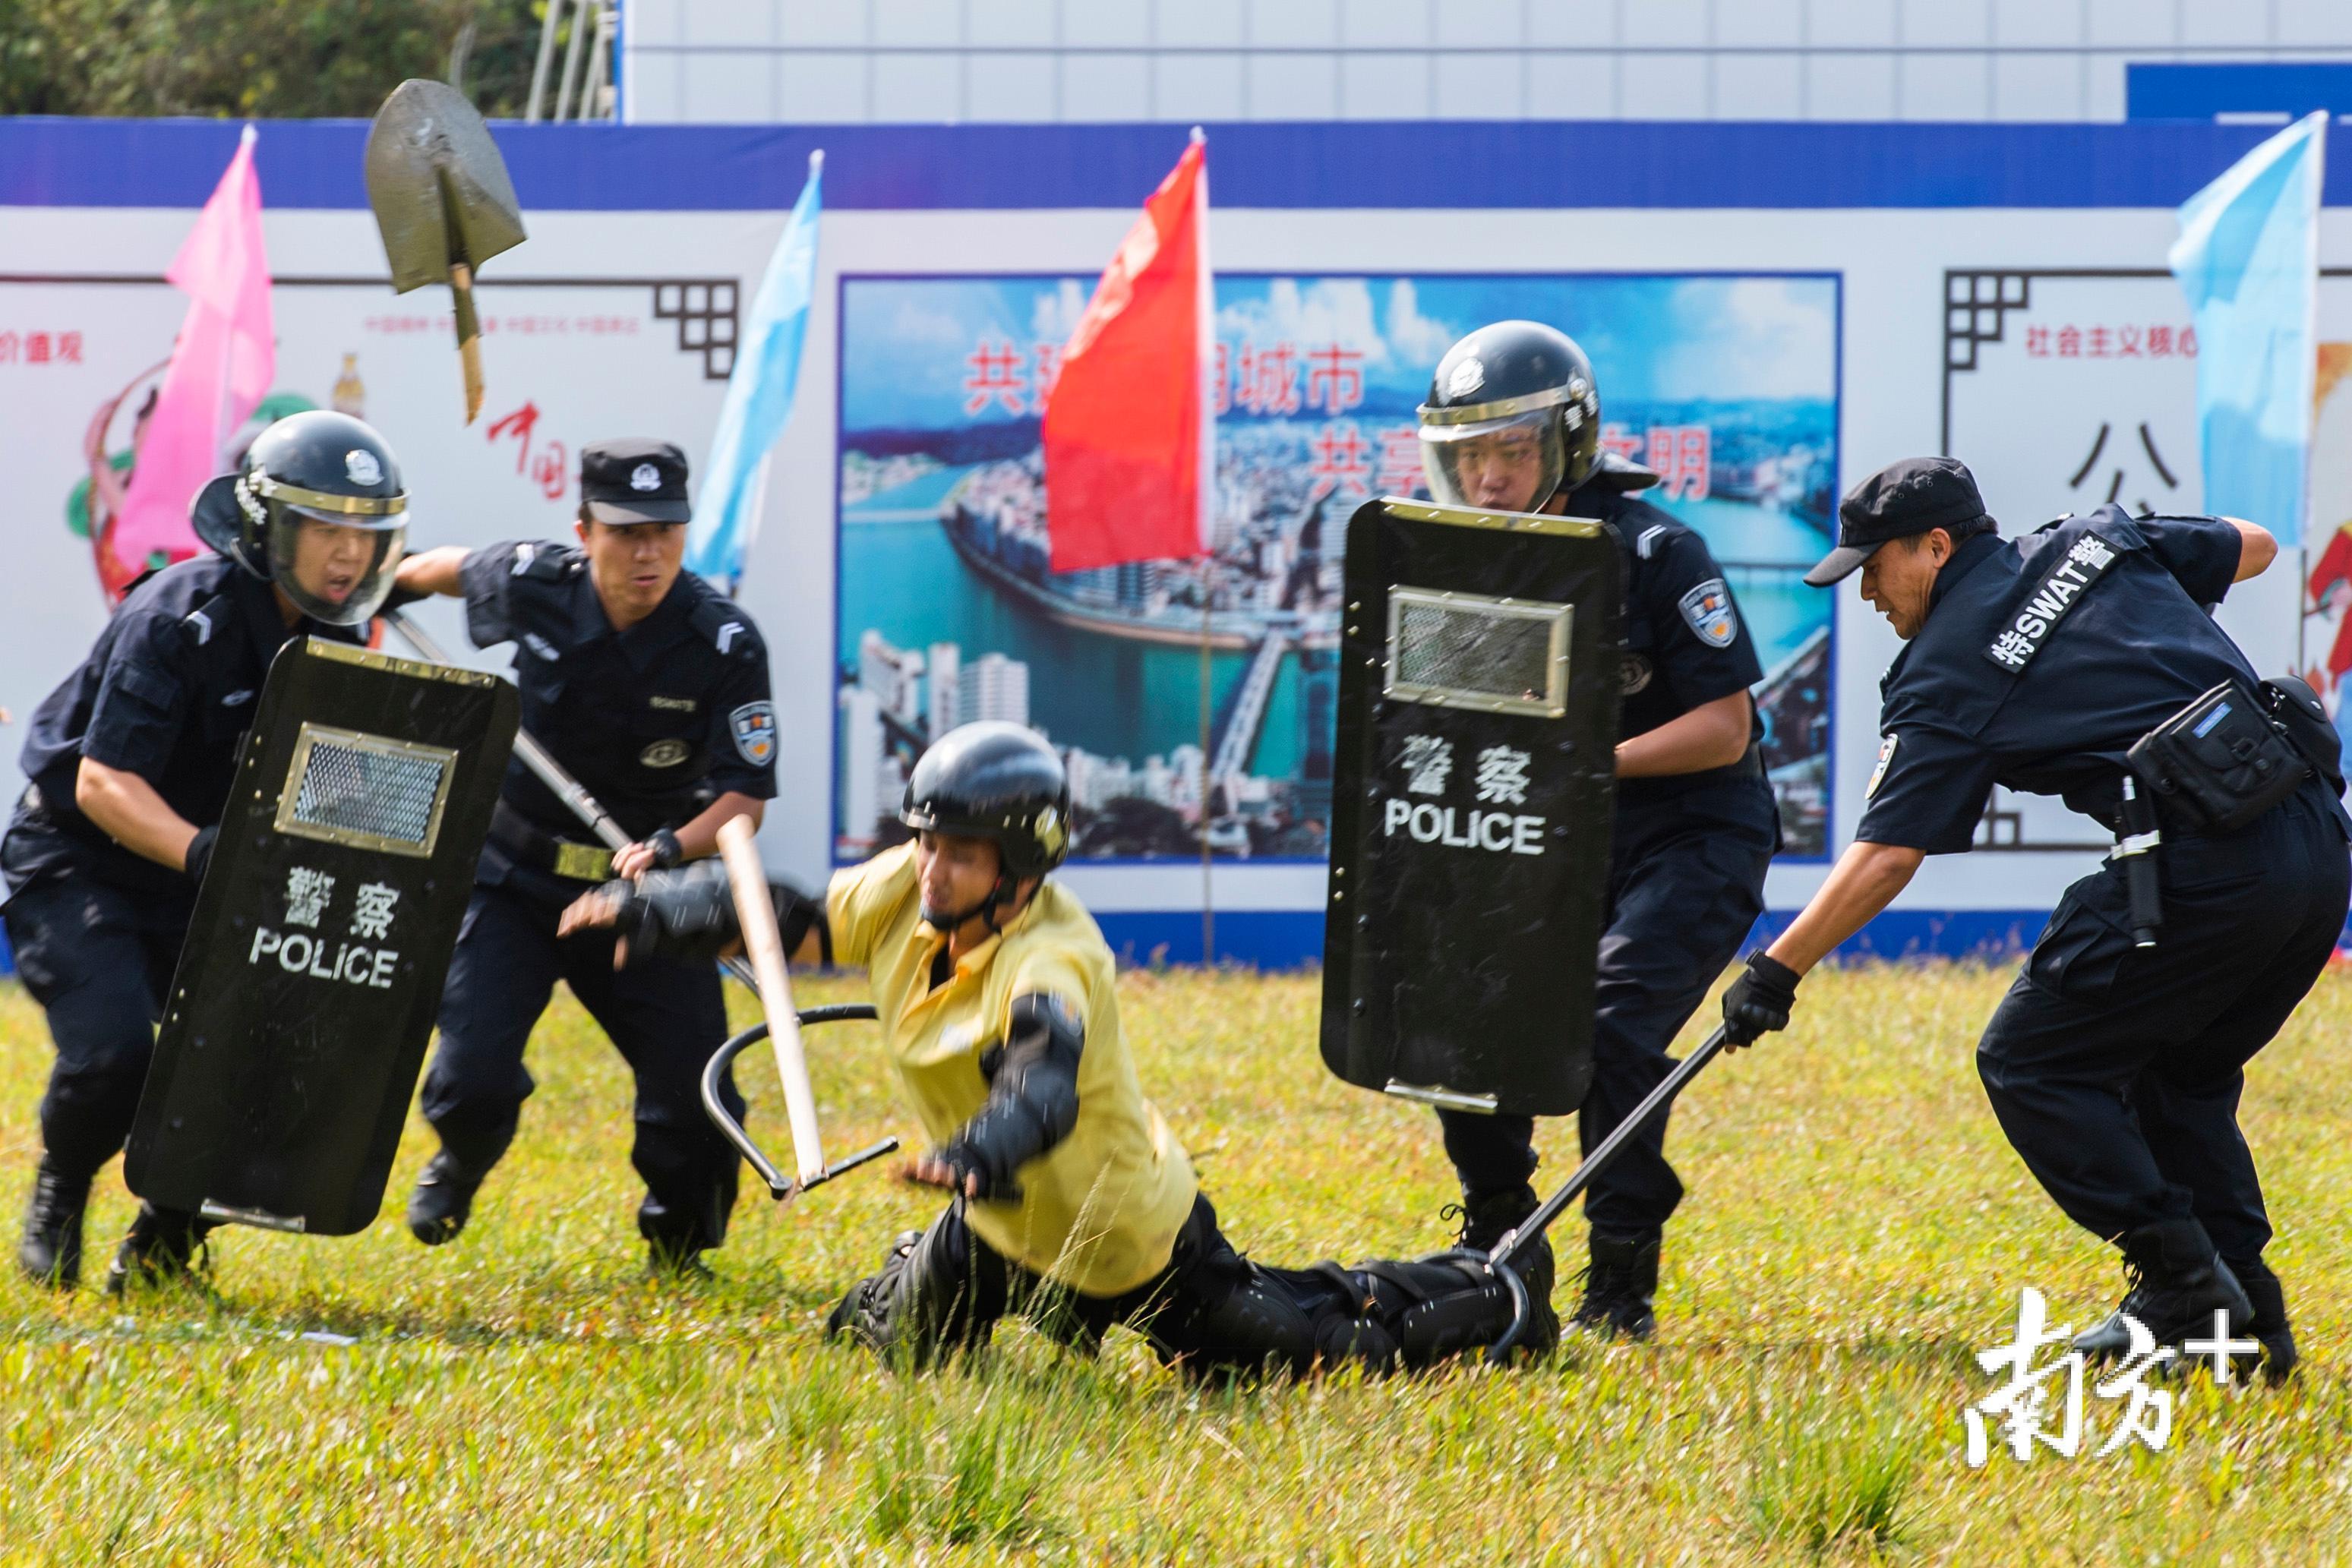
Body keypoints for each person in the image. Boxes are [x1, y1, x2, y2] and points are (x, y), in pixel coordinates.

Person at [564, 723, 1526, 1374]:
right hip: (989, 1233)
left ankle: (1496, 1288)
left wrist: (980, 1152)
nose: (933, 870)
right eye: (927, 843)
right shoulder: (914, 883)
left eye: (962, 854)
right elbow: (792, 920)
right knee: (880, 1345)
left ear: (1019, 870)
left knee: (1318, 1353)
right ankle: (913, 1268)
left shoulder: (1054, 956)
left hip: (1128, 1245)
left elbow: (1040, 1084)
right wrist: (658, 913)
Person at [1720, 456, 2347, 1381]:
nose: (1864, 597)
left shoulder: (1944, 672)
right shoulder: (2091, 538)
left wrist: (1774, 972)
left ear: (1934, 547)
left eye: (1872, 569)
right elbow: (2250, 547)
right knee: (2177, 1075)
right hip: (2319, 852)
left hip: (2211, 867)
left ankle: (2179, 1282)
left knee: (2030, 1059)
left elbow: (1888, 853)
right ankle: (2246, 1327)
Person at [1410, 320, 1780, 1342]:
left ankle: (1620, 1284)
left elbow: (1725, 728)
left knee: (1613, 1036)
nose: (1487, 478)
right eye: (1469, 454)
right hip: (1548, 844)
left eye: (1512, 450)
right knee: (1466, 1030)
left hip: (1691, 839)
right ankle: (1500, 1240)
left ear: (1569, 445)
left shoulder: (1660, 552)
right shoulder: (1466, 564)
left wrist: (1586, 763)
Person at [6, 409, 408, 1291]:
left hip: (220, 872)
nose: (348, 556)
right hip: (82, 860)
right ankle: (60, 1195)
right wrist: (206, 858)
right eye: (327, 530)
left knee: (271, 1050)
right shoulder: (175, 616)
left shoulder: (341, 638)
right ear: (270, 528)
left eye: (364, 536)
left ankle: (166, 1240)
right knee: (115, 1055)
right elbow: (101, 785)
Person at [388, 440, 776, 1277]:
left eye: (666, 532)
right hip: (513, 880)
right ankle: (464, 1155)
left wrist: (674, 845)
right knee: (469, 1077)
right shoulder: (538, 578)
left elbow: (744, 796)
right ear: (584, 530)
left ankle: (679, 1247)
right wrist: (386, 581)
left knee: (695, 1098)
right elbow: (448, 569)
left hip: (642, 895)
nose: (648, 553)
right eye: (626, 532)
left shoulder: (723, 642)